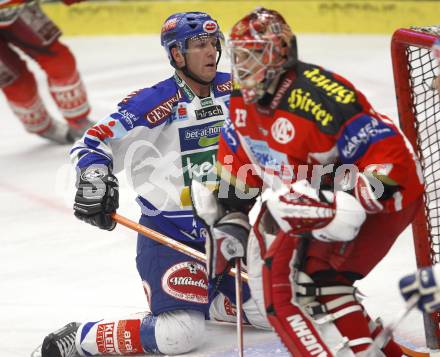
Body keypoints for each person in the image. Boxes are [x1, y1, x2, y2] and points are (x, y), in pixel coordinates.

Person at [191, 7, 426, 356]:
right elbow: (240, 158)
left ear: (281, 54)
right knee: (320, 282)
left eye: (253, 56)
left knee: (314, 282)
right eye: (238, 56)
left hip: (389, 197)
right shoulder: (242, 99)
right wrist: (231, 211)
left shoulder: (322, 97)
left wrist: (352, 198)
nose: (242, 67)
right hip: (321, 196)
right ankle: (377, 350)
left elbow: (390, 157)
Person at [38, 11, 269, 357]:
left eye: (212, 44)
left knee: (278, 309)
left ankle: (211, 300)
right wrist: (95, 177)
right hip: (170, 239)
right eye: (198, 46)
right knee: (178, 336)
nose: (210, 53)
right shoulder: (157, 101)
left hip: (227, 234)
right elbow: (92, 142)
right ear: (177, 55)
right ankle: (82, 338)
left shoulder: (235, 89)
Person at [0, 0, 92, 144]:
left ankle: (78, 119)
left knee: (59, 61)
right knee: (13, 80)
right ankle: (43, 126)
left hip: (14, 9)